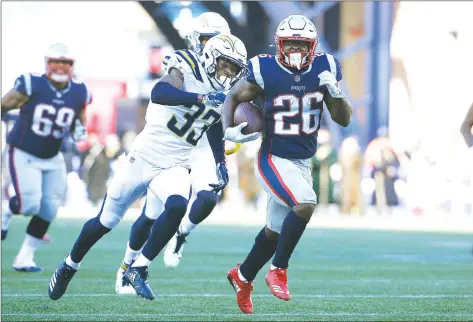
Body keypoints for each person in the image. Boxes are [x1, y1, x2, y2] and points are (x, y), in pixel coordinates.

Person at [48, 33, 249, 301]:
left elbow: (211, 125)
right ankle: (69, 265)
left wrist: (220, 163)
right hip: (143, 157)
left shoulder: (223, 93)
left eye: (234, 69)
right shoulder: (186, 65)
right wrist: (201, 99)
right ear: (212, 57)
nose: (229, 73)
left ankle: (139, 268)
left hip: (175, 164)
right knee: (105, 222)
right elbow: (161, 92)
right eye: (226, 65)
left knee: (177, 206)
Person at [221, 15, 352, 314]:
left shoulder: (326, 68)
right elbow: (233, 97)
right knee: (305, 202)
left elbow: (343, 118)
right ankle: (278, 270)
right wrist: (227, 130)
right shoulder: (264, 68)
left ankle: (242, 276)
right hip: (273, 157)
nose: (295, 49)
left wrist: (336, 93)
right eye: (290, 43)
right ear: (279, 44)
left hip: (302, 161)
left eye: (301, 44)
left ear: (313, 47)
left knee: (274, 233)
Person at [114, 12, 236, 296]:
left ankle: (181, 234)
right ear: (197, 42)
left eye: (218, 42)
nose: (212, 49)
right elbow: (168, 94)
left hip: (202, 144)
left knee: (207, 197)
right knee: (152, 215)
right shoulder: (182, 63)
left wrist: (235, 132)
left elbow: (219, 117)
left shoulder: (230, 69)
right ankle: (126, 267)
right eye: (207, 41)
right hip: (173, 146)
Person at [0, 43, 90, 272]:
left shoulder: (80, 91)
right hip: (23, 150)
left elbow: (79, 118)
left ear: (72, 66)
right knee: (29, 204)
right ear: (47, 63)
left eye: (66, 62)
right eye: (56, 61)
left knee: (49, 208)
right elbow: (4, 105)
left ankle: (24, 258)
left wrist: (80, 131)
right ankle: (5, 210)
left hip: (53, 155)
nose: (61, 66)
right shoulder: (32, 83)